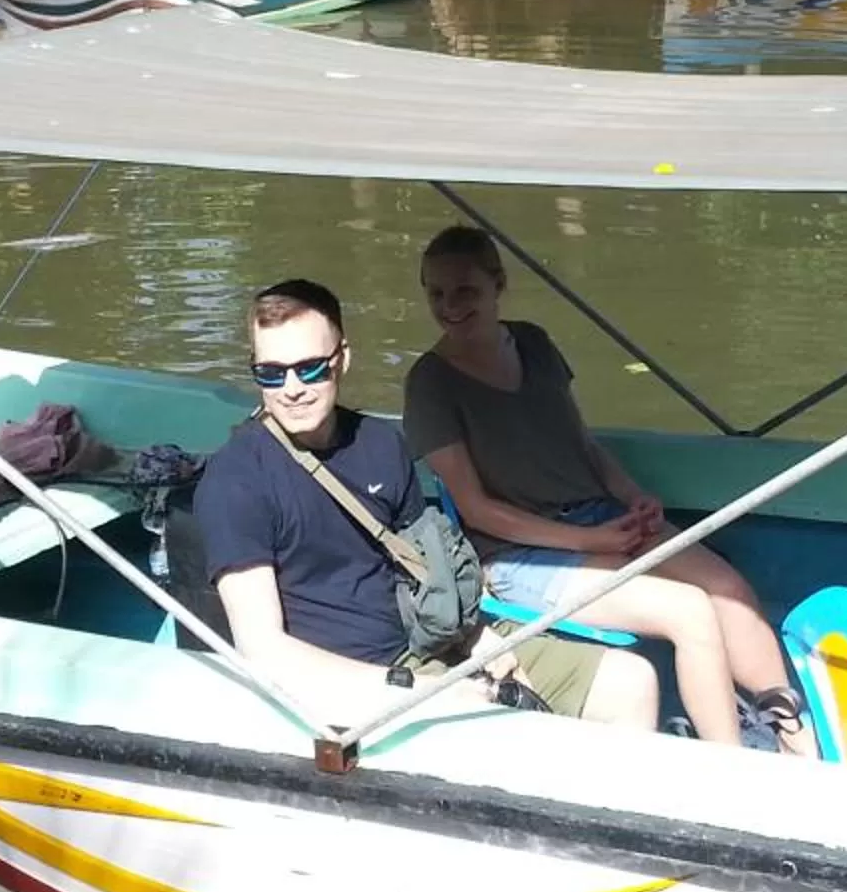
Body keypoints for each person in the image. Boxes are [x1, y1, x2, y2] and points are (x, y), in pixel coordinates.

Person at [405, 226, 814, 755]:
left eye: (465, 291)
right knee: (689, 612)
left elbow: (580, 443)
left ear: (498, 285)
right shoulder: (430, 382)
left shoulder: (531, 341)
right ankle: (732, 771)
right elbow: (475, 509)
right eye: (435, 293)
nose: (450, 306)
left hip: (598, 518)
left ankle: (798, 743)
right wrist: (589, 542)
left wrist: (632, 495)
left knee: (728, 589)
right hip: (518, 558)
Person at [196, 278, 653, 727]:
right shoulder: (236, 479)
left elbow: (423, 570)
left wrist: (477, 638)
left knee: (632, 682)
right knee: (484, 719)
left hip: (428, 642)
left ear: (343, 360)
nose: (291, 387)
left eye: (310, 367)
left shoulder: (379, 444)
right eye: (271, 373)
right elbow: (265, 652)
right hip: (348, 685)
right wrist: (421, 691)